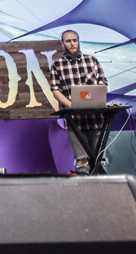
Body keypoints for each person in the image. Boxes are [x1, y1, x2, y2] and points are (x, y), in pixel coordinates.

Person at [49, 29, 108, 175]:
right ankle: (83, 188)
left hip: (96, 119)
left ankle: (103, 187)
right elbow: (55, 90)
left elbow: (103, 84)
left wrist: (96, 100)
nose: (72, 44)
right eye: (68, 41)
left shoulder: (92, 60)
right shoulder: (57, 65)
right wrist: (73, 106)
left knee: (100, 160)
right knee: (82, 161)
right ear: (63, 44)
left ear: (78, 42)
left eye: (74, 40)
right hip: (75, 121)